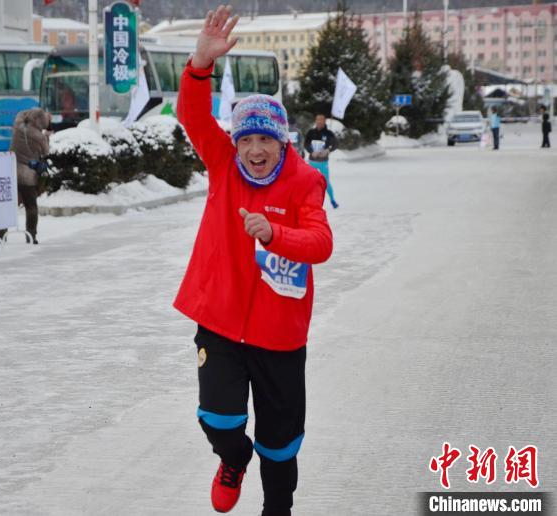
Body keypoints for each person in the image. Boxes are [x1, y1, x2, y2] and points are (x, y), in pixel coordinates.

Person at [174, 6, 333, 516]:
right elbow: (193, 116)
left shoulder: (305, 181)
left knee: (280, 443)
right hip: (220, 319)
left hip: (280, 333)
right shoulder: (223, 164)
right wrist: (201, 63)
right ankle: (232, 459)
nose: (256, 149)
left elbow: (320, 242)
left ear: (282, 140)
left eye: (266, 138)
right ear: (236, 142)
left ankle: (277, 508)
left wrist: (276, 234)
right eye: (247, 139)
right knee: (216, 419)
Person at [0, 108, 50, 245]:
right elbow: (46, 152)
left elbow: (19, 114)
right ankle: (31, 236)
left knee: (8, 205)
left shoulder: (18, 126)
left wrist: (30, 114)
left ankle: (0, 235)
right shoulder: (40, 137)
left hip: (10, 171)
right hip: (28, 175)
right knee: (31, 206)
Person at [304, 113, 339, 209]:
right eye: (317, 119)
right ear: (315, 121)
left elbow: (336, 144)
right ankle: (307, 202)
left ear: (324, 121)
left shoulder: (328, 133)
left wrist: (328, 150)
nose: (319, 121)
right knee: (309, 182)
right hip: (312, 162)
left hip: (323, 163)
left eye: (321, 119)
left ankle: (332, 200)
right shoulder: (311, 132)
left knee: (326, 182)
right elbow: (306, 144)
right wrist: (311, 151)